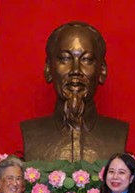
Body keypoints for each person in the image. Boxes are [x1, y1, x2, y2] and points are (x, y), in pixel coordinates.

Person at [21, 21, 128, 162]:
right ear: (48, 70)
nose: (76, 70)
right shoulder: (31, 132)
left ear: (102, 71)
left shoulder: (117, 132)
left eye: (86, 60)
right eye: (65, 59)